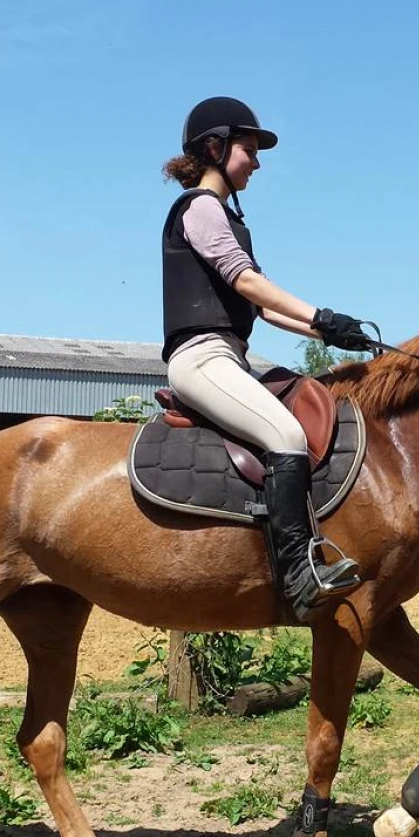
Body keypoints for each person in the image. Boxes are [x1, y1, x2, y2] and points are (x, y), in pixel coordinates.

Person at [160, 96, 373, 621]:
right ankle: (299, 575)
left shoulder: (227, 217)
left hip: (231, 358)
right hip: (202, 358)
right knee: (286, 436)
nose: (257, 161)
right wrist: (320, 315)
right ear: (215, 148)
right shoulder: (200, 207)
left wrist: (330, 333)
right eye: (249, 149)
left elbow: (261, 307)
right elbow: (246, 279)